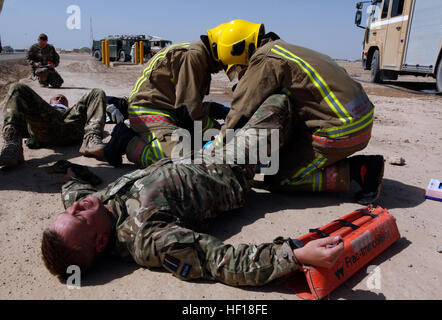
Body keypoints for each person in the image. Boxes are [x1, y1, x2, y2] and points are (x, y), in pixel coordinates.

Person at [41, 94, 345, 286]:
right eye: (78, 216)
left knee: (235, 103)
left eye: (69, 210)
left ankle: (278, 152)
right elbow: (219, 261)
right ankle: (297, 158)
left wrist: (69, 174)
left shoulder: (94, 210)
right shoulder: (150, 238)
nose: (78, 206)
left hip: (203, 152)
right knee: (278, 103)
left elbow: (74, 194)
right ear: (100, 241)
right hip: (231, 168)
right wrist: (295, 255)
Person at [207, 20, 384, 204]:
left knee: (279, 178)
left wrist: (215, 149)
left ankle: (359, 171)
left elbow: (241, 112)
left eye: (237, 67)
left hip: (343, 131)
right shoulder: (283, 50)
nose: (241, 71)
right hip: (359, 119)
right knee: (280, 155)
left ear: (239, 50)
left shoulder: (264, 58)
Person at [103, 30, 231, 168]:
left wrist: (224, 113)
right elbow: (191, 108)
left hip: (172, 111)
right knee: (181, 160)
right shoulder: (194, 56)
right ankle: (126, 140)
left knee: (211, 142)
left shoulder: (203, 60)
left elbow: (191, 105)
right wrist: (220, 133)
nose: (221, 69)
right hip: (149, 111)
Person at [0, 83, 106, 168]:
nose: (60, 98)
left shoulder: (72, 111)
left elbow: (95, 116)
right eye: (57, 98)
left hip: (72, 126)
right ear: (49, 103)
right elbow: (19, 121)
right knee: (17, 87)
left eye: (63, 99)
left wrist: (93, 129)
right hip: (46, 125)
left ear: (67, 105)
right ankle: (12, 147)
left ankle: (91, 140)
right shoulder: (43, 111)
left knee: (97, 92)